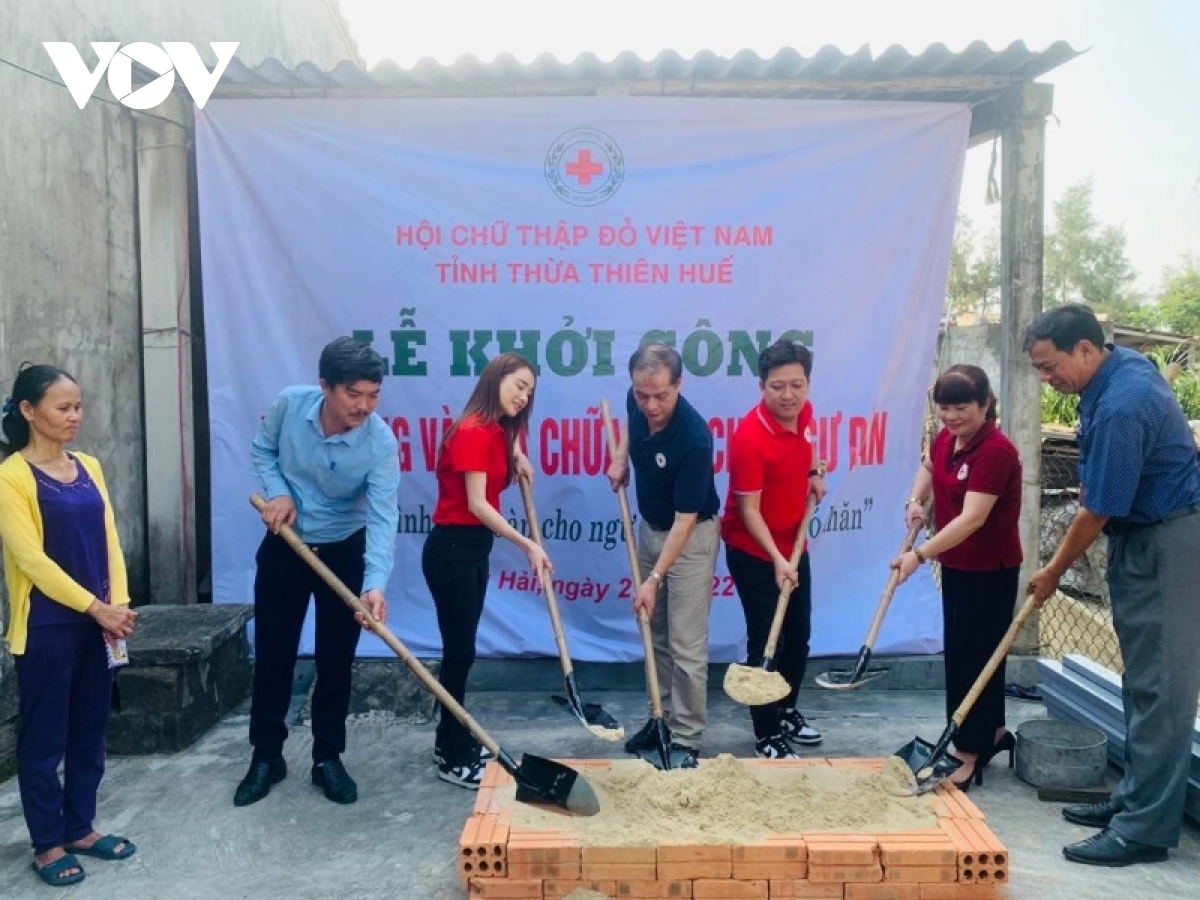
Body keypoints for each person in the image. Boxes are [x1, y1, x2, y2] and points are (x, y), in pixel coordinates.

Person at [1025, 305, 1200, 867]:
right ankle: (1133, 800)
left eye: (1050, 366)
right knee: (1142, 682)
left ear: (1084, 349)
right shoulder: (1118, 368)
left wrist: (1052, 573)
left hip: (1165, 541)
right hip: (1145, 533)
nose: (1046, 378)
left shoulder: (1124, 404)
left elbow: (1097, 510)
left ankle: (1144, 831)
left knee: (1162, 689)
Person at [235, 337, 399, 808]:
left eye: (373, 395)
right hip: (287, 543)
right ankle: (266, 755)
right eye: (354, 394)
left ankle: (327, 757)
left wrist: (374, 586)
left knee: (335, 662)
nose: (364, 406)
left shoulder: (380, 443)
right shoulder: (290, 406)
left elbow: (384, 517)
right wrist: (277, 492)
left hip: (344, 552)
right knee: (273, 656)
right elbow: (263, 450)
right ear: (325, 386)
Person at [0, 364, 138, 887]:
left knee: (90, 729)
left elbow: (109, 540)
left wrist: (118, 607)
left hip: (98, 622)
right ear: (29, 412)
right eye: (63, 407)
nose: (74, 416)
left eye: (78, 406)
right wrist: (94, 607)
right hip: (48, 626)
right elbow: (30, 560)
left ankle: (80, 827)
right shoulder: (11, 475)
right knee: (44, 735)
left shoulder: (89, 466)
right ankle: (47, 842)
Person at [892, 364, 1022, 791]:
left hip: (990, 570)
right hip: (957, 565)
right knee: (966, 654)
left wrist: (918, 554)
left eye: (961, 407)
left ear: (986, 404)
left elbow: (972, 520)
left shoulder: (996, 452)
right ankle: (994, 735)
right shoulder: (950, 438)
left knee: (976, 658)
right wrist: (916, 500)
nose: (951, 417)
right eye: (944, 408)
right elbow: (929, 467)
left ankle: (968, 754)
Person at [423, 352, 548, 789]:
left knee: (463, 653)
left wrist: (518, 454)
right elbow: (478, 505)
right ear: (495, 379)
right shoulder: (474, 431)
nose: (523, 395)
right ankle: (451, 755)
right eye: (518, 385)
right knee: (458, 656)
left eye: (530, 391)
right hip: (453, 549)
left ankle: (450, 742)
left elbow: (506, 441)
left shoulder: (497, 430)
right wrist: (527, 544)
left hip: (473, 549)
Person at [608, 343, 721, 768]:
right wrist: (621, 458)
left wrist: (654, 578)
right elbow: (628, 426)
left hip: (689, 538)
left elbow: (686, 521)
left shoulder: (694, 438)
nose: (650, 405)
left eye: (661, 396)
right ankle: (662, 719)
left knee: (685, 642)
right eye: (642, 395)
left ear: (679, 385)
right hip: (649, 530)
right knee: (653, 635)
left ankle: (687, 736)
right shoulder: (635, 401)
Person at [721, 339, 827, 759]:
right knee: (767, 641)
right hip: (753, 548)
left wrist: (815, 471)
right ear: (761, 386)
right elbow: (748, 511)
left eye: (797, 385)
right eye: (778, 387)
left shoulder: (805, 413)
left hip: (792, 542)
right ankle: (765, 732)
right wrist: (778, 560)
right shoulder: (749, 438)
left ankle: (786, 709)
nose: (789, 396)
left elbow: (811, 438)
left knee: (799, 634)